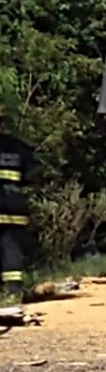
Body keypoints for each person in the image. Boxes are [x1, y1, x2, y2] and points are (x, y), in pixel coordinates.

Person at [0, 115, 34, 313]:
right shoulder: (19, 147)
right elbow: (33, 174)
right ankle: (12, 292)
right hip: (13, 205)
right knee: (10, 248)